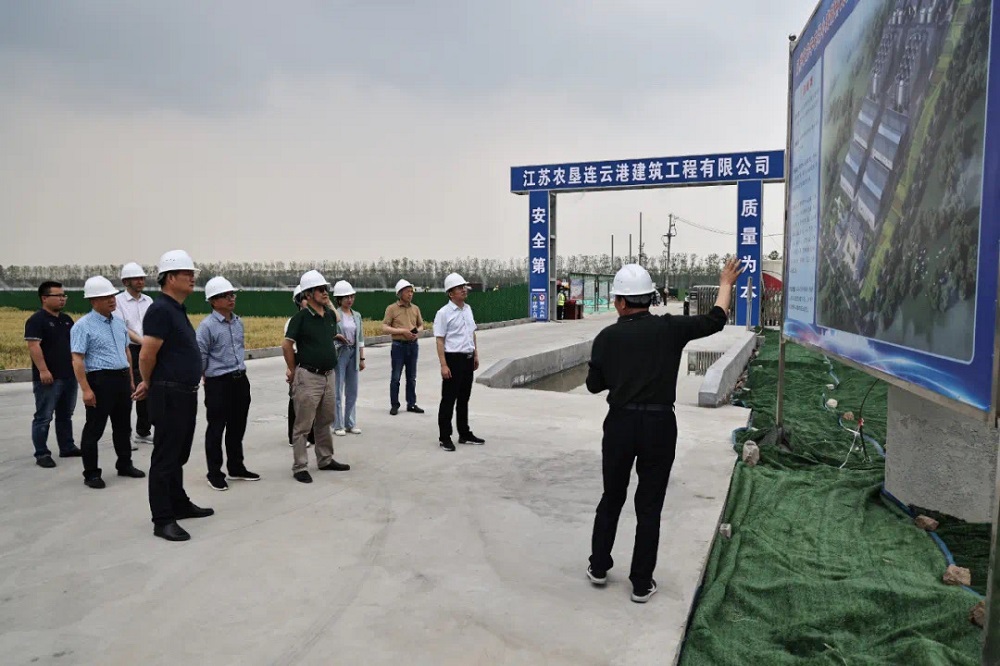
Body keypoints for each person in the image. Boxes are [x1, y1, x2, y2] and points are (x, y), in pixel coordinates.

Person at [584, 259, 741, 603]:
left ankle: (599, 566)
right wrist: (725, 283)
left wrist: (619, 374)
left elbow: (594, 385)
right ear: (650, 297)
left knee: (612, 496)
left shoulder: (607, 337)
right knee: (649, 504)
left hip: (620, 424)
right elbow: (715, 320)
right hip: (659, 426)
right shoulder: (670, 329)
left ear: (620, 302)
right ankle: (641, 583)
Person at [133, 250, 214, 542]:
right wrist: (148, 382)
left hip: (184, 394)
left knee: (178, 454)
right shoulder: (160, 310)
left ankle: (179, 503)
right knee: (165, 457)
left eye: (193, 274)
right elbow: (147, 354)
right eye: (186, 274)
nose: (192, 278)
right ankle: (163, 519)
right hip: (169, 394)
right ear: (169, 278)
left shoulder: (175, 309)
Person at [70, 276, 146, 488]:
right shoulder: (83, 326)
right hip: (100, 380)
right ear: (93, 301)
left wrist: (130, 379)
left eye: (113, 296)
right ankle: (91, 473)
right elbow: (77, 359)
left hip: (121, 379)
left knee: (123, 427)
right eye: (106, 297)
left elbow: (126, 351)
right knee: (94, 428)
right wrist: (86, 389)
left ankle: (125, 464)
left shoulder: (119, 323)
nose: (112, 300)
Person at [282, 270, 350, 483]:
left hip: (328, 375)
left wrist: (335, 336)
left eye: (326, 288)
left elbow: (327, 333)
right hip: (308, 376)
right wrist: (293, 370)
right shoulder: (300, 318)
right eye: (320, 289)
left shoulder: (329, 316)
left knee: (325, 420)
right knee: (303, 424)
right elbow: (287, 345)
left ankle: (325, 459)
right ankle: (300, 466)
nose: (325, 292)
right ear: (308, 294)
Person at [196, 276, 260, 492]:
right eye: (225, 296)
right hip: (218, 383)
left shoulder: (238, 322)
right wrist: (205, 376)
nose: (231, 298)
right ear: (213, 301)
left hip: (240, 380)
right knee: (216, 428)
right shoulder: (206, 327)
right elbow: (201, 355)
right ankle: (214, 473)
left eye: (232, 295)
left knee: (237, 426)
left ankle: (236, 467)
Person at [24, 281, 81, 467]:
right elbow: (34, 346)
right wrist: (43, 370)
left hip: (69, 375)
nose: (62, 299)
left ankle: (67, 446)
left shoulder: (66, 319)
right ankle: (42, 453)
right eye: (58, 296)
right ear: (44, 298)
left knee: (65, 414)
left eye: (64, 295)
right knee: (44, 416)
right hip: (49, 377)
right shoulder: (36, 320)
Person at [433, 272, 485, 452]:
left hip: (468, 358)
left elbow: (472, 333)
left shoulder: (468, 309)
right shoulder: (443, 313)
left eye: (464, 287)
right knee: (448, 399)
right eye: (459, 288)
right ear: (450, 293)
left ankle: (464, 433)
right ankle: (444, 437)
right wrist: (443, 364)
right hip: (453, 359)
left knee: (464, 398)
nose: (464, 290)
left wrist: (475, 354)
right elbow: (440, 340)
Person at [113, 261, 154, 447]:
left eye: (142, 278)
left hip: (148, 348)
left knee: (148, 388)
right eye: (136, 278)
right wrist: (143, 342)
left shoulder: (148, 301)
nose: (140, 281)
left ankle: (143, 431)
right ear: (125, 282)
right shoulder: (118, 302)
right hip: (130, 349)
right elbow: (122, 328)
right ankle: (125, 435)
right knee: (130, 390)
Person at [382, 278, 424, 416]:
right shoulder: (391, 309)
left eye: (412, 291)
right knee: (396, 377)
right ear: (400, 293)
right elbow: (385, 327)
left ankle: (411, 403)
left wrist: (416, 332)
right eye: (407, 291)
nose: (410, 294)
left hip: (413, 345)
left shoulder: (415, 308)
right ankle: (394, 405)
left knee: (411, 377)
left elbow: (421, 325)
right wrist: (402, 332)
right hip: (398, 346)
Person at [331, 280, 365, 436]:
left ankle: (350, 423)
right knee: (337, 390)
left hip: (353, 352)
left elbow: (360, 338)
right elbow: (329, 333)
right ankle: (338, 425)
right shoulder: (334, 314)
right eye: (346, 297)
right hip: (340, 353)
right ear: (339, 299)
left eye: (352, 297)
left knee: (352, 390)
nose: (350, 300)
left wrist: (362, 358)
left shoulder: (357, 315)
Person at [285, 285, 315, 448]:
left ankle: (311, 434)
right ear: (298, 301)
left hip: (313, 363)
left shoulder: (317, 319)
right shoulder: (293, 321)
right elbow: (289, 347)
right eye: (304, 298)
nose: (308, 301)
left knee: (312, 400)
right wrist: (291, 368)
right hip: (298, 361)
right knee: (296, 400)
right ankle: (293, 436)